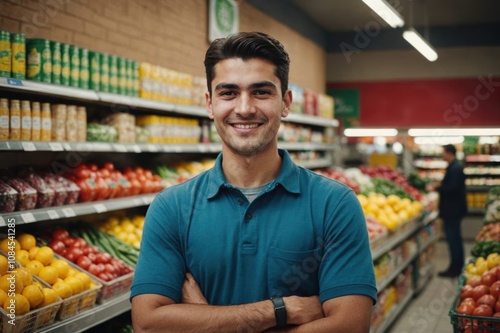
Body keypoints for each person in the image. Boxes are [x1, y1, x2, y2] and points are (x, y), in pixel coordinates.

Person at [130, 31, 376, 333]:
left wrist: (204, 320)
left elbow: (350, 327)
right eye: (228, 93)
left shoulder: (334, 204)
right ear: (210, 104)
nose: (244, 108)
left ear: (285, 102)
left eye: (261, 92)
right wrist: (280, 310)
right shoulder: (171, 208)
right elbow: (149, 325)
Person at [435, 144, 467, 278]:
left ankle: (455, 269)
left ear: (449, 153)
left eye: (443, 152)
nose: (442, 155)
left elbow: (453, 189)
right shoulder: (455, 167)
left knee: (453, 239)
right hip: (453, 210)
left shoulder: (455, 168)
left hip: (452, 211)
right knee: (454, 239)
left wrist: (439, 188)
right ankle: (456, 266)